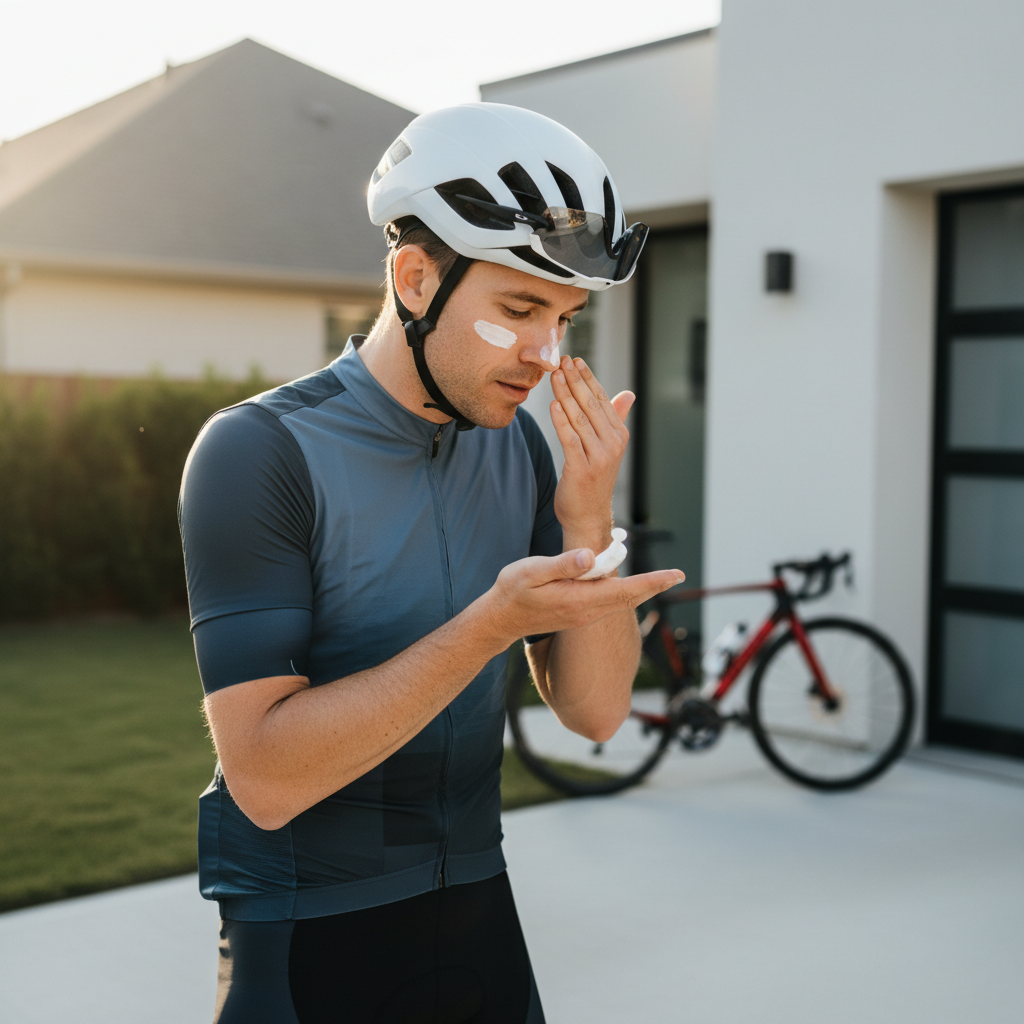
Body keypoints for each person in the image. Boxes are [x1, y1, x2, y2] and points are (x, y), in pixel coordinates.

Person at [178, 102, 684, 1024]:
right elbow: (264, 774)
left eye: (565, 317)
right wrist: (491, 626)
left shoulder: (521, 452)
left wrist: (586, 513)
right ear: (415, 279)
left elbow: (598, 711)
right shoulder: (258, 452)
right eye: (520, 308)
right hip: (306, 940)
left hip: (477, 917)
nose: (545, 352)